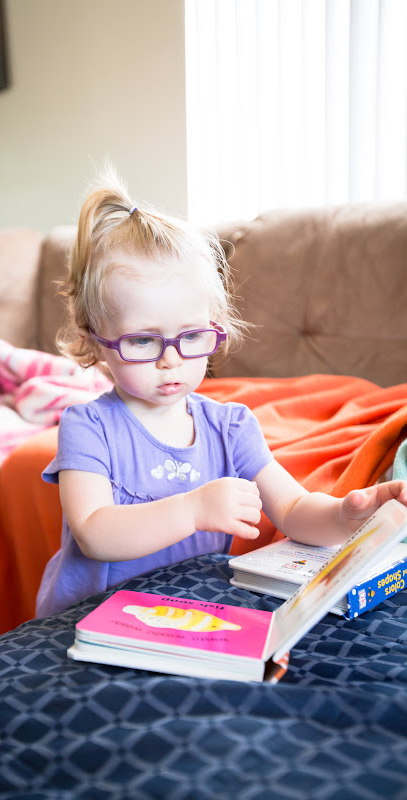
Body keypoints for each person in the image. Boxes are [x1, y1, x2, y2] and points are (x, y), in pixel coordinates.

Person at [36, 171, 407, 617]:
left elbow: (292, 508)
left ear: (216, 325)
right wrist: (192, 510)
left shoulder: (230, 427)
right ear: (95, 340)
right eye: (141, 341)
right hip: (89, 622)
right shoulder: (88, 427)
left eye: (191, 336)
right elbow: (94, 532)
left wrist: (345, 519)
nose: (170, 360)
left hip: (187, 616)